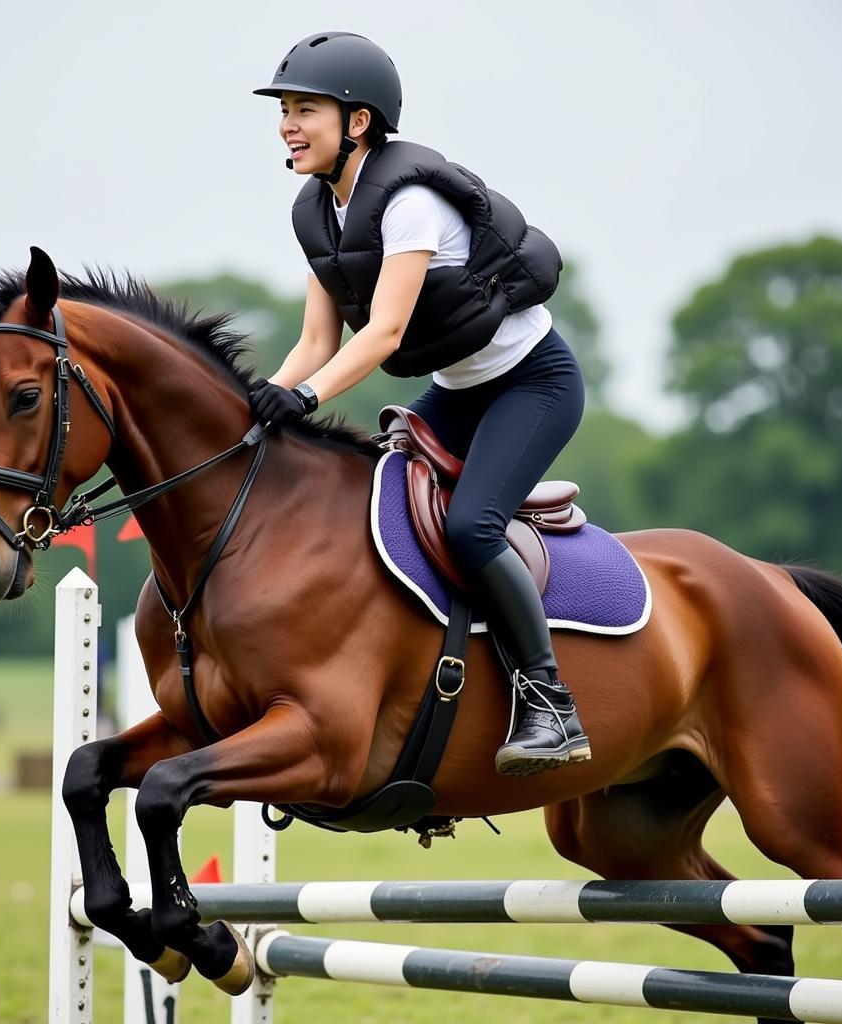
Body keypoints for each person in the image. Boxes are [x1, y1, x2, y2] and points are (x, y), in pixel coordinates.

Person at [249, 32, 591, 776]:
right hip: (460, 391)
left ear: (359, 122)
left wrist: (305, 397)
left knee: (471, 527)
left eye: (305, 109)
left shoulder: (409, 206)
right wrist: (266, 398)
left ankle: (551, 705)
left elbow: (387, 331)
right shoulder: (320, 214)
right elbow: (315, 339)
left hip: (533, 383)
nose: (287, 125)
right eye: (284, 110)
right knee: (368, 507)